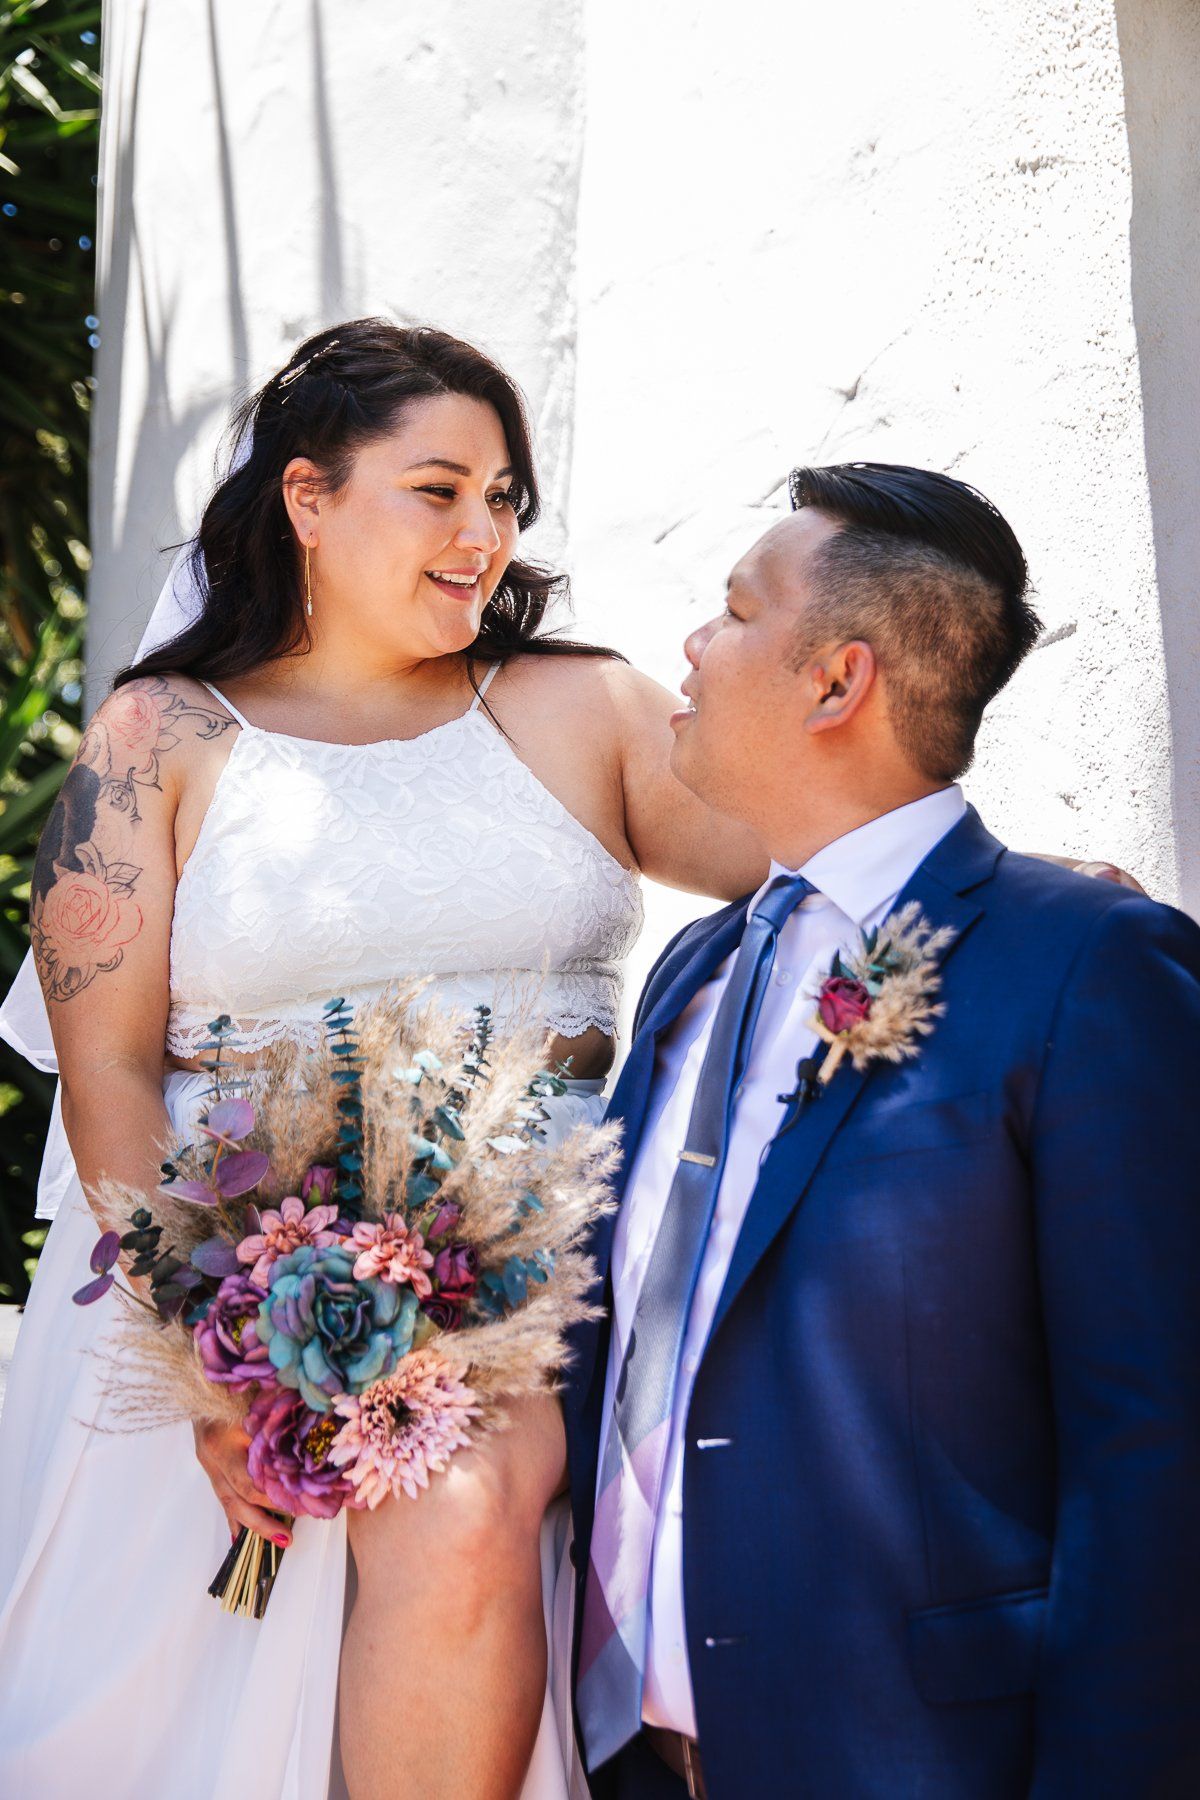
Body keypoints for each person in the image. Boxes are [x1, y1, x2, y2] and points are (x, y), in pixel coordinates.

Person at [0, 319, 769, 1800]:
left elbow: (806, 849)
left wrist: (1014, 880)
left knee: (465, 1512)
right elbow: (103, 1072)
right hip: (220, 1285)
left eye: (505, 498)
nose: (483, 533)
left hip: (526, 1279)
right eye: (439, 489)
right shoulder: (157, 739)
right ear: (307, 496)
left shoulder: (579, 706)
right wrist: (208, 1351)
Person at [565, 462, 1200, 1799]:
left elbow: (1156, 1448)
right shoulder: (691, 969)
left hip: (910, 1752)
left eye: (733, 611)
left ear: (835, 682)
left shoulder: (1084, 966)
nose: (691, 642)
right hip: (619, 1750)